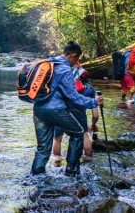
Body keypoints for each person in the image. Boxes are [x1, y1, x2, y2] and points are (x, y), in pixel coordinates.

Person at [31, 41, 101, 178]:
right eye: (77, 59)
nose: (76, 63)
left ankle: (36, 175)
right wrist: (93, 102)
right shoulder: (65, 68)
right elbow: (72, 96)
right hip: (56, 109)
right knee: (78, 133)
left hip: (38, 109)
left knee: (43, 146)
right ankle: (71, 171)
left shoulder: (48, 64)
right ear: (73, 55)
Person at [51, 63, 99, 163]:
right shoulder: (90, 89)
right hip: (79, 114)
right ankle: (88, 158)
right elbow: (95, 115)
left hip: (61, 112)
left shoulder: (64, 84)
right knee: (84, 134)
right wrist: (93, 125)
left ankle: (56, 161)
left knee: (57, 138)